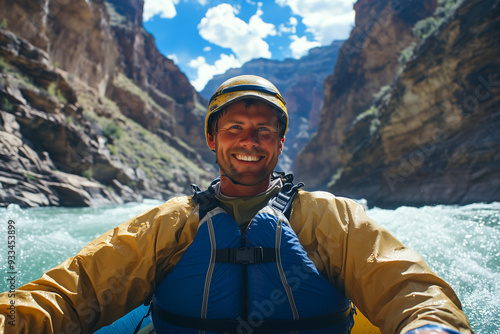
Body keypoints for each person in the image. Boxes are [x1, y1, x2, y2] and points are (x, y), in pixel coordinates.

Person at [0, 75, 473, 334]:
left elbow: (409, 287)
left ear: (280, 142)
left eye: (264, 130)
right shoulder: (172, 222)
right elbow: (76, 289)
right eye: (235, 129)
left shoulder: (332, 216)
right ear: (211, 139)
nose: (250, 141)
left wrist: (432, 327)